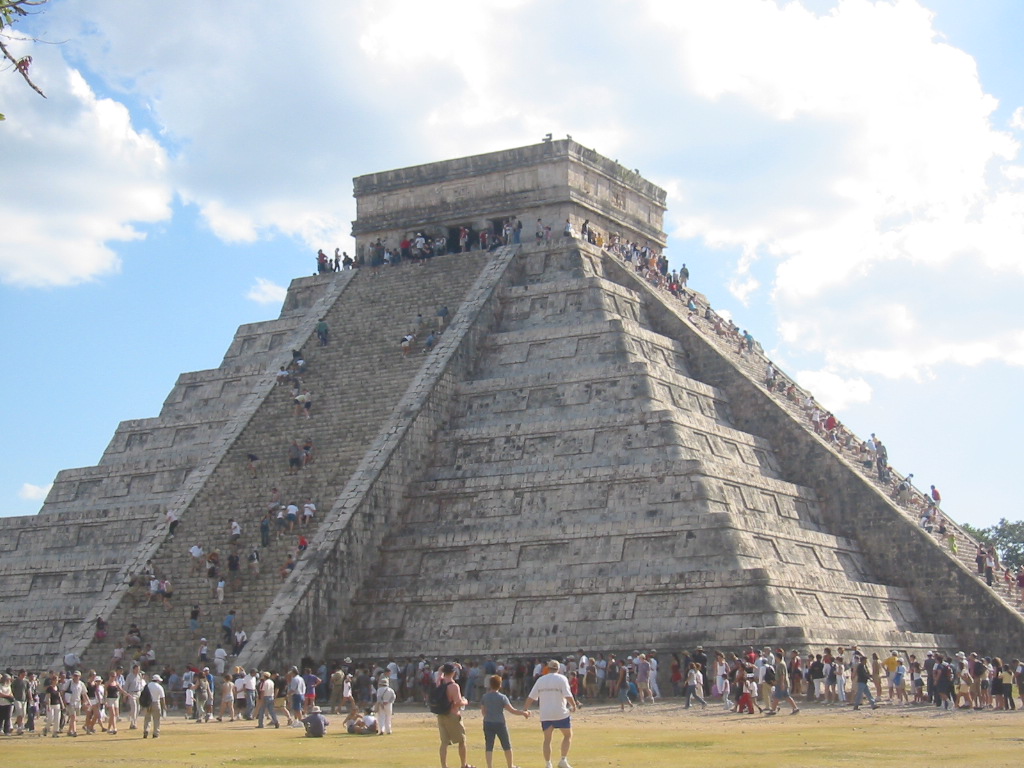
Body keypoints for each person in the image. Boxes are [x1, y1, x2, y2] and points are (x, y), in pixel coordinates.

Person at [524, 659, 577, 768]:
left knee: (547, 739)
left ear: (548, 668)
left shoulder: (541, 680)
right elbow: (568, 695)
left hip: (545, 713)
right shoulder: (562, 678)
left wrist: (525, 708)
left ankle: (548, 763)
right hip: (560, 712)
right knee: (568, 735)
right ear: (558, 669)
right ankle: (563, 759)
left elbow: (531, 697)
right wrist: (574, 705)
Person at [481, 673, 530, 768]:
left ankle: (489, 766)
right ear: (500, 685)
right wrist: (523, 713)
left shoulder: (485, 697)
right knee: (506, 745)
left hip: (488, 722)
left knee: (489, 746)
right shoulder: (502, 697)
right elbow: (512, 710)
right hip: (500, 723)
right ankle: (510, 765)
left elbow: (483, 712)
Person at [432, 662, 470, 768]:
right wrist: (465, 701)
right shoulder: (454, 686)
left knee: (444, 743)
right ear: (453, 673)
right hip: (452, 715)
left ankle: (444, 765)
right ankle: (463, 764)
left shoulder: (439, 683)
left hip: (441, 715)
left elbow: (439, 671)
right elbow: (457, 702)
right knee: (462, 741)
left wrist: (447, 665)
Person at [142, 673, 166, 738]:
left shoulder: (147, 685)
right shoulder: (159, 687)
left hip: (148, 703)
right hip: (156, 703)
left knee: (147, 718)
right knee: (156, 719)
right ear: (157, 680)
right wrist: (164, 706)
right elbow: (162, 698)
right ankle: (156, 733)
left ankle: (146, 730)